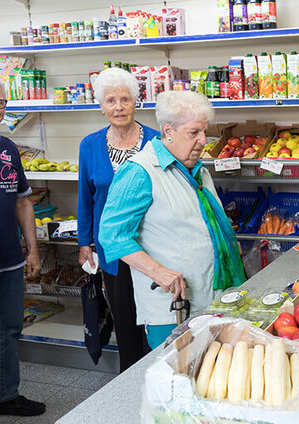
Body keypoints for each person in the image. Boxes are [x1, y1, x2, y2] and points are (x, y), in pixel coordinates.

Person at [99, 90, 246, 349]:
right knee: (179, 377)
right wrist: (159, 273)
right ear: (168, 130)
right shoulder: (139, 172)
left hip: (212, 296)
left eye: (204, 132)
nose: (203, 141)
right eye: (194, 133)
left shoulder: (198, 170)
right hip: (175, 306)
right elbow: (112, 236)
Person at [0, 75, 45, 424]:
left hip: (7, 259)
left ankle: (5, 396)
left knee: (8, 329)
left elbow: (23, 202)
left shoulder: (8, 149)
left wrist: (31, 250)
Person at [77, 67, 158, 372]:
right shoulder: (89, 145)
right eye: (111, 100)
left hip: (151, 245)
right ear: (101, 106)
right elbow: (86, 198)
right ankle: (130, 382)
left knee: (155, 318)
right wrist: (84, 242)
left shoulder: (154, 141)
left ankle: (158, 378)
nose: (119, 106)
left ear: (136, 102)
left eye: (125, 99)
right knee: (125, 321)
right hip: (112, 249)